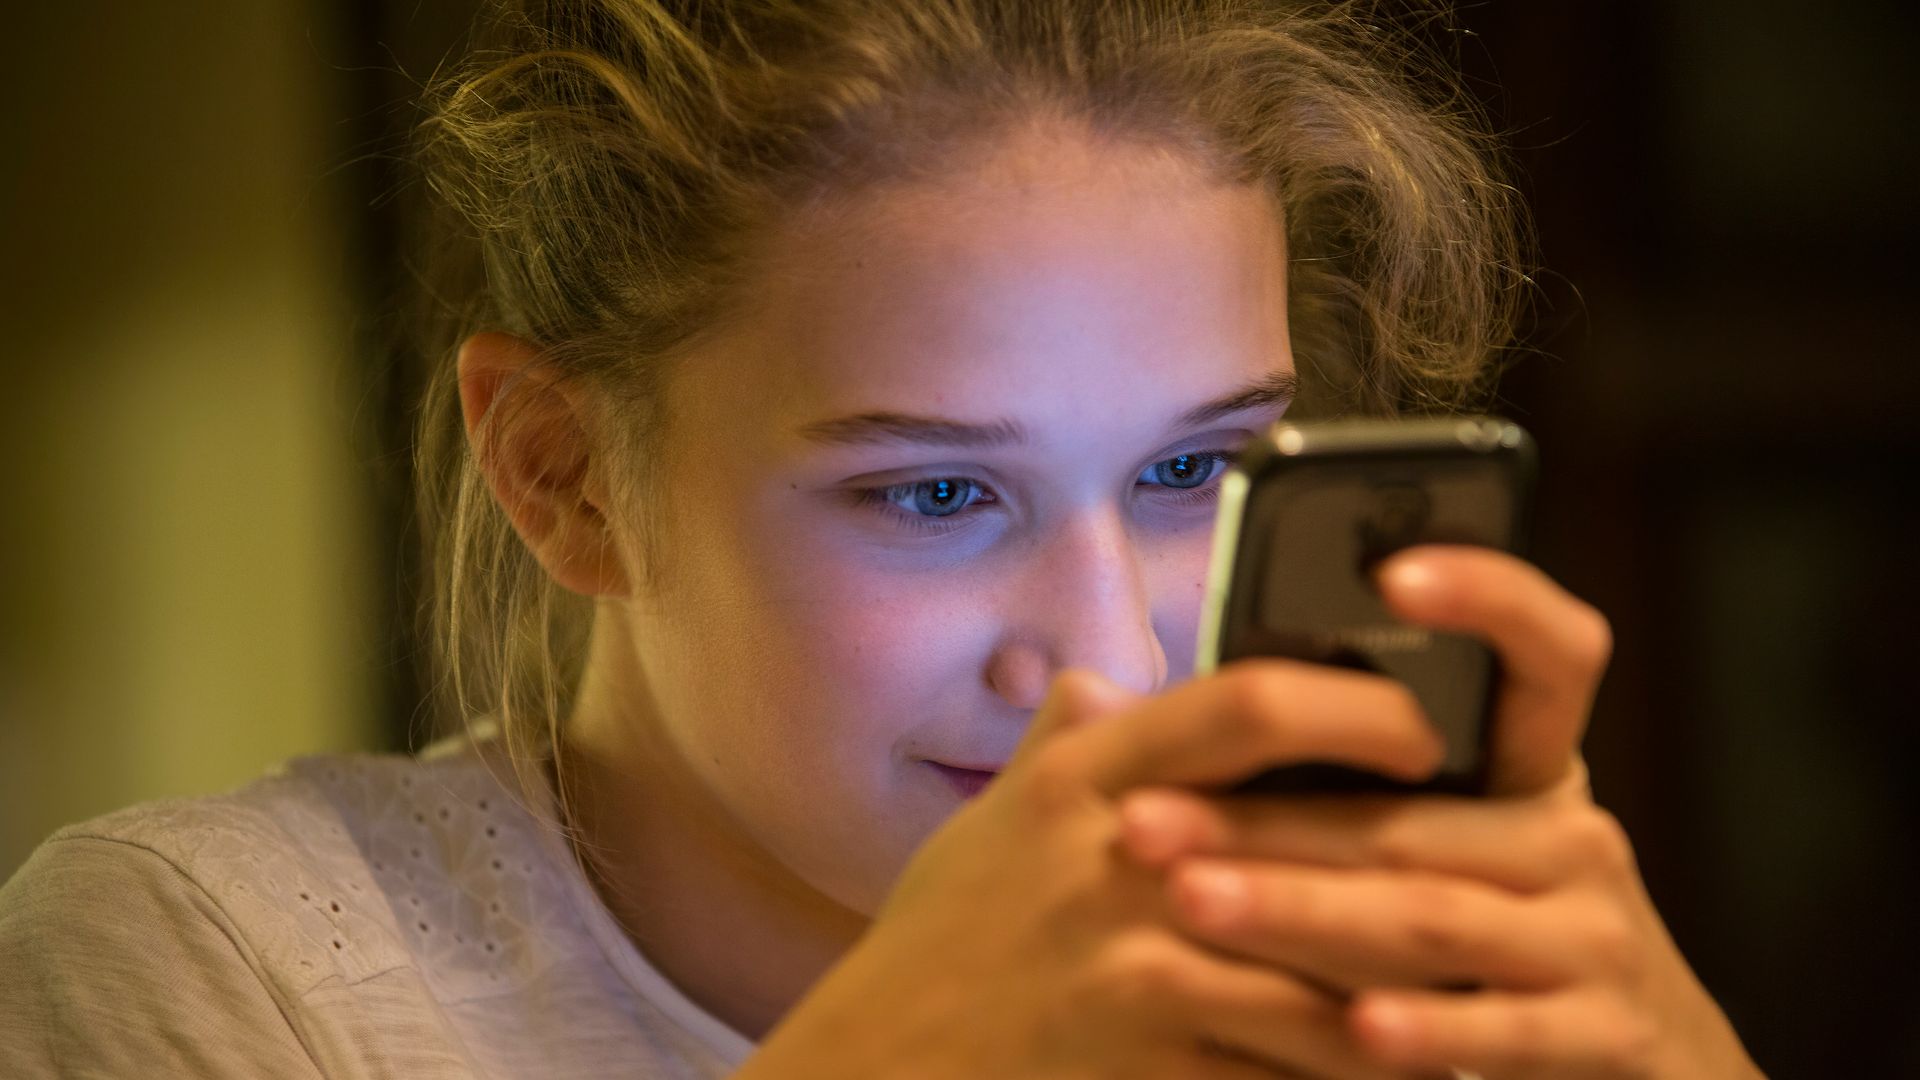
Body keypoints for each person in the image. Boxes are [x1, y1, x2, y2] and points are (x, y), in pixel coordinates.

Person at [0, 1, 1764, 1076]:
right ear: (560, 474)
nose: (1111, 664)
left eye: (1193, 475)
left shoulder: (1344, 984)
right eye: (936, 495)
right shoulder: (211, 968)